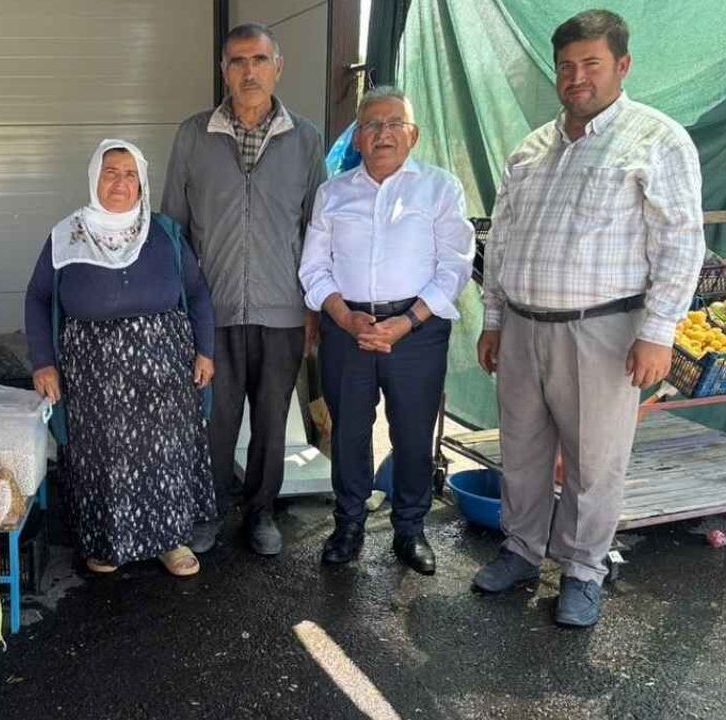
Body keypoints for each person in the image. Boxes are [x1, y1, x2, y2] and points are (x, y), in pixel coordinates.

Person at [475, 9, 705, 626]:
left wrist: (658, 332)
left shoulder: (656, 140)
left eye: (591, 64)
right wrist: (493, 319)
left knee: (594, 461)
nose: (577, 77)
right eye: (566, 66)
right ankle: (522, 549)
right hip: (522, 325)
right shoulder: (531, 149)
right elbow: (501, 241)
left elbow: (681, 242)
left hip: (603, 331)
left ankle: (582, 570)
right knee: (521, 450)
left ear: (622, 65)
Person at [162, 22, 327, 556]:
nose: (248, 71)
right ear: (224, 70)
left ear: (278, 67)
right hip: (213, 310)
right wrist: (181, 308)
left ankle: (260, 513)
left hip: (283, 311)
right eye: (237, 61)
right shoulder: (194, 135)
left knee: (272, 423)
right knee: (214, 420)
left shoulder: (305, 139)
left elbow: (318, 228)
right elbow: (173, 229)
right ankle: (208, 511)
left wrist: (314, 307)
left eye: (259, 59)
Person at [299, 87, 474, 574]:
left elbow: (455, 266)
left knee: (414, 434)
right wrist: (343, 316)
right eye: (372, 125)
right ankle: (348, 524)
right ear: (357, 137)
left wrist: (407, 321)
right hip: (347, 329)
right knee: (349, 431)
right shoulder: (334, 193)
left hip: (417, 330)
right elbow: (314, 267)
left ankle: (410, 529)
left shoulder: (440, 189)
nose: (383, 133)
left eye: (395, 123)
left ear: (413, 135)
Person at [24, 139, 217, 577]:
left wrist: (205, 351)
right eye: (111, 172)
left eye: (130, 174)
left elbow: (197, 293)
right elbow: (37, 297)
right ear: (95, 177)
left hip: (164, 368)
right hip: (91, 372)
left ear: (142, 183)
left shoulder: (165, 233)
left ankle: (170, 540)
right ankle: (106, 542)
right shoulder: (67, 234)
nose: (120, 182)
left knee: (164, 453)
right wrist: (43, 361)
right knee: (101, 455)